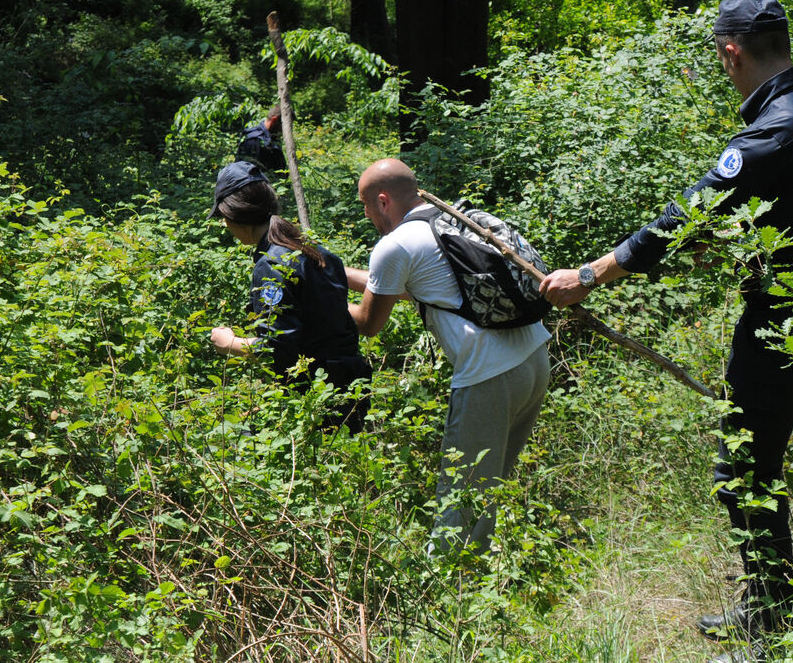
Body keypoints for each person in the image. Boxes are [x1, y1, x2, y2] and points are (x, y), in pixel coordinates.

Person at [539, 0, 793, 660]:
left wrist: (591, 275)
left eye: (720, 57)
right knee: (752, 461)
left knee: (741, 468)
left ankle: (774, 627)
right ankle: (765, 608)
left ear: (731, 51)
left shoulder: (773, 130)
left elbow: (687, 211)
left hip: (785, 320)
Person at [346, 158, 551, 554]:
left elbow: (367, 322)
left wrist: (314, 303)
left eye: (366, 205)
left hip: (488, 376)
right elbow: (409, 287)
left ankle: (447, 595)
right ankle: (485, 580)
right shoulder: (451, 220)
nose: (367, 215)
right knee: (490, 487)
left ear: (383, 201)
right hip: (533, 359)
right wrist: (336, 272)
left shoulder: (394, 246)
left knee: (462, 495)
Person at [208, 161, 371, 433]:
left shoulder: (271, 265)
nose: (224, 224)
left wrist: (230, 343)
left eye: (223, 217)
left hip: (314, 399)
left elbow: (277, 347)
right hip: (350, 389)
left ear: (236, 215)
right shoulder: (316, 252)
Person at [235, 105, 286, 172]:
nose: (285, 131)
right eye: (284, 126)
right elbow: (248, 174)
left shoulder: (272, 139)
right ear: (274, 120)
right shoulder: (254, 140)